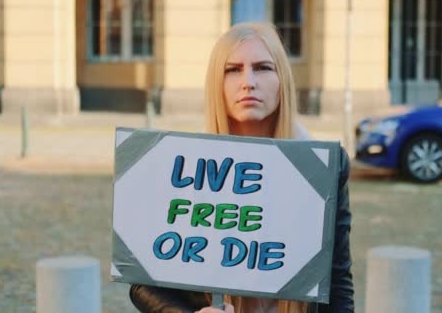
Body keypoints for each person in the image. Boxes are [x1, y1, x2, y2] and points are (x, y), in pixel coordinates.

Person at [129, 22, 354, 313]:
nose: (248, 81)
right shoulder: (181, 165)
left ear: (282, 79)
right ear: (216, 83)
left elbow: (337, 279)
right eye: (233, 70)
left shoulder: (325, 167)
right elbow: (142, 282)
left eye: (262, 67)